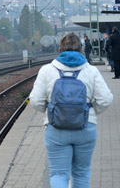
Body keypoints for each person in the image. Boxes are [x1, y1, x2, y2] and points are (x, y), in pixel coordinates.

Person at [29, 33, 113, 188]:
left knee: (58, 174)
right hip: (85, 128)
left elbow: (35, 100)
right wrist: (90, 112)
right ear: (81, 49)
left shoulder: (47, 70)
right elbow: (105, 99)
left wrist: (51, 112)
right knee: (81, 173)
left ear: (60, 49)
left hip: (56, 129)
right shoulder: (91, 71)